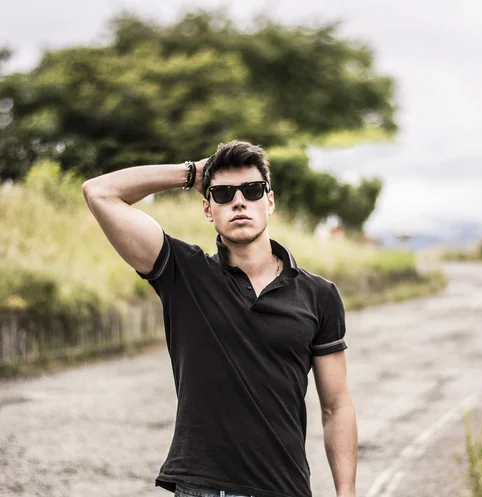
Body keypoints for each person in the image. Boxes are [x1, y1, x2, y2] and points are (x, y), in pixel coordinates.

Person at [81, 140, 357, 497]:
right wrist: (191, 172)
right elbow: (99, 192)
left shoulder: (319, 295)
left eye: (252, 190)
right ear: (208, 209)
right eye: (223, 194)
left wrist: (346, 493)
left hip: (285, 488)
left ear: (269, 202)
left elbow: (336, 407)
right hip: (203, 489)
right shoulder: (183, 273)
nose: (239, 201)